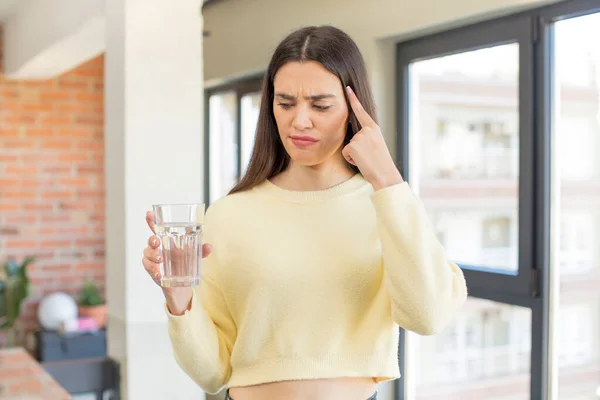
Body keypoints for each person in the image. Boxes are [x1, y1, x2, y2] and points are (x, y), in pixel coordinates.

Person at [142, 25, 468, 400]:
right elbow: (212, 373)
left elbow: (427, 316)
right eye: (285, 103)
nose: (299, 121)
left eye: (320, 105)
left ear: (353, 109)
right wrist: (179, 296)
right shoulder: (229, 215)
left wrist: (388, 180)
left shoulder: (387, 205)